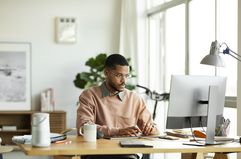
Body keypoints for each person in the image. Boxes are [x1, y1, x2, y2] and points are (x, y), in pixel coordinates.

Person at [76, 54, 159, 159]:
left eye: (126, 75)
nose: (124, 81)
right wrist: (118, 132)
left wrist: (151, 129)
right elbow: (84, 127)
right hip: (97, 154)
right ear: (106, 73)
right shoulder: (89, 95)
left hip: (128, 154)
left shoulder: (135, 99)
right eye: (119, 75)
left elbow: (153, 128)